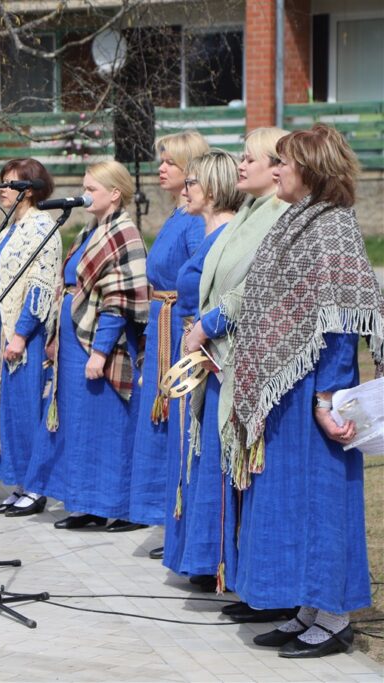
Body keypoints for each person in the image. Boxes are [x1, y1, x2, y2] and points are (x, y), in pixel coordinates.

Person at [210, 124, 382, 658]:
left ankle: (333, 617)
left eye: (284, 162)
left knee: (320, 501)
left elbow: (341, 322)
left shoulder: (332, 228)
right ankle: (307, 608)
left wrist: (327, 399)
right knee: (288, 502)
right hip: (283, 391)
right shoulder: (295, 223)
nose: (276, 169)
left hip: (313, 393)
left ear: (309, 169)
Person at [180, 128, 293, 622]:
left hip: (251, 361)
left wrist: (210, 323)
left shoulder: (281, 217)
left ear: (278, 168)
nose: (239, 166)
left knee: (251, 478)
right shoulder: (250, 213)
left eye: (250, 159)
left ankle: (267, 590)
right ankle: (247, 582)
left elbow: (254, 288)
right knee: (233, 479)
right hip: (222, 359)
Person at [23, 160, 149, 530]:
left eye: (92, 188)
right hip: (74, 344)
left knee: (109, 428)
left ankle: (120, 506)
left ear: (115, 193)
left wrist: (100, 352)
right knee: (81, 428)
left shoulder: (124, 234)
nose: (84, 194)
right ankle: (88, 504)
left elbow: (119, 299)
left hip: (97, 346)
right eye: (84, 186)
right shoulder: (91, 230)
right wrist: (55, 338)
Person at [158, 149, 243, 589]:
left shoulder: (226, 235)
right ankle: (201, 555)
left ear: (210, 188)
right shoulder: (209, 230)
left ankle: (216, 559)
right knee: (194, 453)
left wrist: (203, 333)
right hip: (193, 351)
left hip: (214, 356)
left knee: (210, 455)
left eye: (191, 184)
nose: (184, 190)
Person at [127, 130, 209, 546]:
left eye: (171, 163)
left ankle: (182, 517)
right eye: (161, 160)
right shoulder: (178, 215)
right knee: (161, 423)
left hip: (179, 328)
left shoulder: (194, 222)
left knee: (178, 422)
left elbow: (199, 274)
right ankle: (169, 515)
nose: (161, 168)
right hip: (164, 323)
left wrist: (189, 327)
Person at [0, 159, 62, 516]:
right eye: (2, 183)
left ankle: (35, 486)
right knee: (5, 412)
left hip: (26, 337)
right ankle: (19, 483)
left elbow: (40, 285)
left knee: (26, 410)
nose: (4, 190)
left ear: (32, 189)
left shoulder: (42, 227)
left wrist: (21, 335)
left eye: (12, 184)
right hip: (0, 333)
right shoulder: (10, 227)